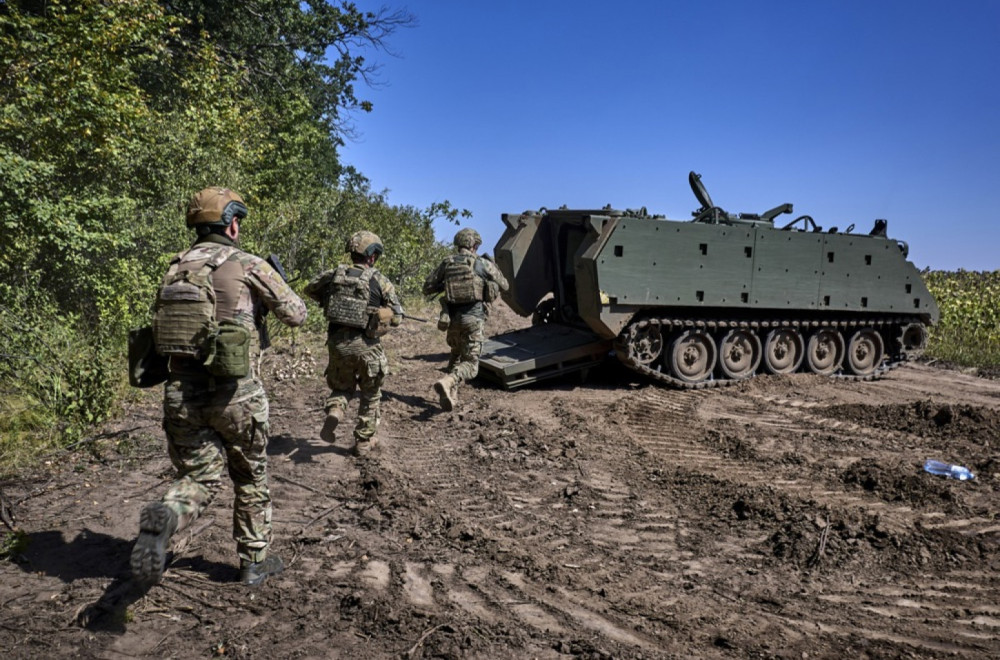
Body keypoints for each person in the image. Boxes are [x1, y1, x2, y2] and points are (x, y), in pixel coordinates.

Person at [131, 187, 307, 589]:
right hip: (236, 395)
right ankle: (254, 562)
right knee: (250, 476)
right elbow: (297, 314)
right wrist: (274, 282)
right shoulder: (247, 263)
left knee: (199, 476)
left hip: (181, 393)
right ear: (231, 223)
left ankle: (168, 515)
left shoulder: (175, 268)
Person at [304, 230, 403, 455]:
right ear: (372, 256)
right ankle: (363, 442)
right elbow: (397, 317)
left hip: (338, 345)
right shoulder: (379, 280)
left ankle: (336, 411)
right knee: (370, 394)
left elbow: (309, 289)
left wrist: (328, 300)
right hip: (368, 347)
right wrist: (381, 313)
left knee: (342, 387)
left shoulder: (334, 275)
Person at [422, 228, 508, 411]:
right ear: (475, 245)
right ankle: (448, 381)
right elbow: (505, 285)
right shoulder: (482, 263)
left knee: (456, 354)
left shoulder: (447, 263)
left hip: (452, 320)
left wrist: (445, 283)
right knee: (471, 364)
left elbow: (427, 287)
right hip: (473, 319)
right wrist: (493, 269)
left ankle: (451, 396)